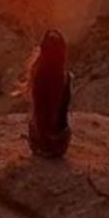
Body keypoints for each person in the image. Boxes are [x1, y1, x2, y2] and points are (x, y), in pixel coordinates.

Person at [26, 30, 71, 158]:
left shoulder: (39, 75)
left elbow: (38, 111)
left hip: (41, 144)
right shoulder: (65, 77)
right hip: (61, 144)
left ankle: (42, 143)